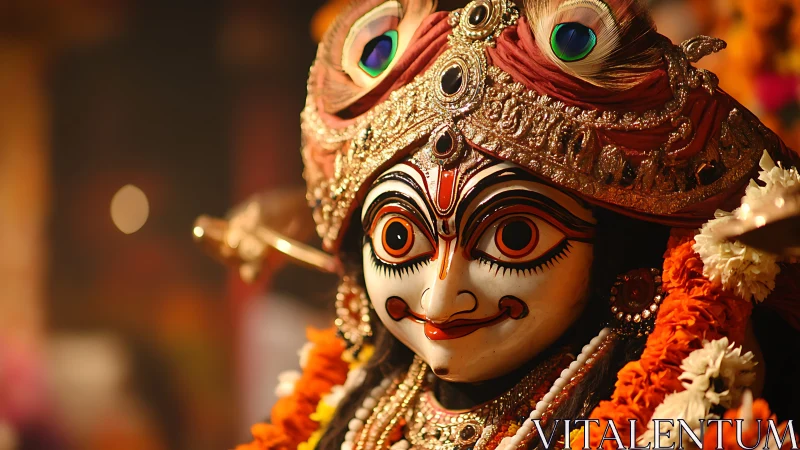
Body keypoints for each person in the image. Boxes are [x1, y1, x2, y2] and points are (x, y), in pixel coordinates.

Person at [200, 1, 800, 448]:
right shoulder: (358, 406)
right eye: (398, 238)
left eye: (512, 238)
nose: (441, 295)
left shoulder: (688, 410)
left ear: (616, 255)